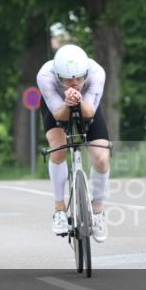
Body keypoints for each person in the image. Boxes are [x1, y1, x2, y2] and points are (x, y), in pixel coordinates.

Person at [36, 44, 110, 243]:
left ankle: (98, 210)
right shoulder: (45, 75)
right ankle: (59, 209)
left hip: (87, 105)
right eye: (69, 79)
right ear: (58, 76)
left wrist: (78, 101)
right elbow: (59, 115)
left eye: (79, 77)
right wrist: (68, 103)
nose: (75, 82)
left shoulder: (96, 72)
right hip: (57, 107)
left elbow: (90, 113)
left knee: (102, 157)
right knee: (58, 151)